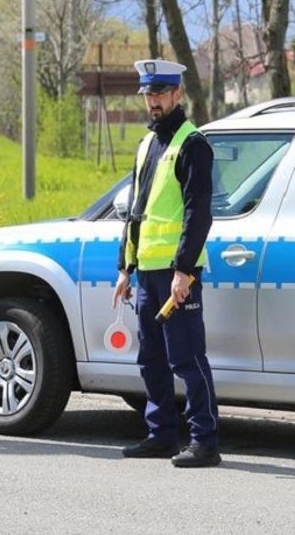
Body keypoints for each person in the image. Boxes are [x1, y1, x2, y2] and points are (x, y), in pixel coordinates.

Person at [112, 58, 220, 468]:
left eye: (159, 93)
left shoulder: (193, 145)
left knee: (187, 359)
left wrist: (184, 270)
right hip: (147, 271)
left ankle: (205, 440)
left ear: (177, 94)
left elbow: (198, 214)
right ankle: (161, 434)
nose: (153, 102)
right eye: (148, 94)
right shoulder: (147, 144)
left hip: (178, 273)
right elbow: (136, 212)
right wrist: (125, 267)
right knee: (151, 358)